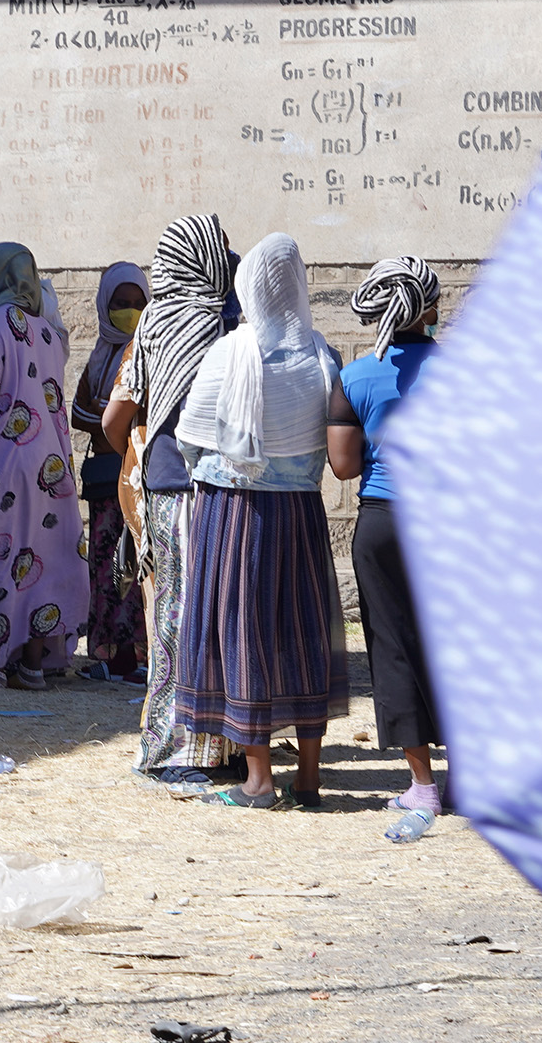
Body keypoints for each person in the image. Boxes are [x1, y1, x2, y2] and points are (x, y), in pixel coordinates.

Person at [174, 233, 350, 808]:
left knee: (242, 629)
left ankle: (258, 781)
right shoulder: (324, 356)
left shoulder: (231, 351)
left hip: (236, 513)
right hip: (300, 511)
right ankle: (308, 775)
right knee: (300, 631)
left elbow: (192, 434)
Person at [103, 215, 239, 788]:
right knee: (214, 620)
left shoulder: (154, 323)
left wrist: (140, 452)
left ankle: (168, 745)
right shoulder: (229, 322)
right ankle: (214, 748)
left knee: (171, 620)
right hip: (223, 489)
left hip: (163, 488)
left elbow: (116, 418)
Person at [0, 242, 90, 689]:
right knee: (40, 559)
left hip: (3, 462)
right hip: (49, 461)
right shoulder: (46, 330)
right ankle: (31, 665)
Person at [330, 256, 445, 826]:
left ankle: (422, 786)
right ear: (428, 310)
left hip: (382, 525)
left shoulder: (354, 377)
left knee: (393, 645)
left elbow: (345, 467)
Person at [72, 262, 151, 682]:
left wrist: (111, 426)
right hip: (106, 483)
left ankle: (136, 653)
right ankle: (108, 652)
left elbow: (105, 419)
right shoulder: (102, 354)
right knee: (105, 566)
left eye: (139, 304)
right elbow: (80, 411)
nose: (131, 312)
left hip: (137, 481)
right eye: (121, 304)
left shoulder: (147, 352)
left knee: (136, 565)